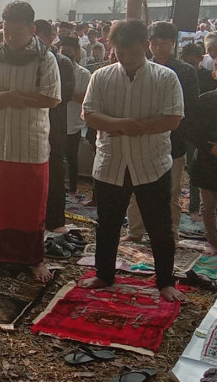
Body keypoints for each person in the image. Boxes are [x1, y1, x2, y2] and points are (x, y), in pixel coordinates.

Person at [79, 20, 185, 302]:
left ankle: (165, 281)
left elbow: (173, 118)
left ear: (144, 45)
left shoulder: (165, 77)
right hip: (111, 163)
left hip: (151, 163)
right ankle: (104, 274)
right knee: (107, 223)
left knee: (159, 226)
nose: (124, 57)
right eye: (119, 51)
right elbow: (89, 114)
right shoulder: (101, 77)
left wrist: (135, 127)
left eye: (131, 51)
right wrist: (121, 124)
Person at [0, 1, 61, 282]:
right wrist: (4, 98)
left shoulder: (45, 59)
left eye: (17, 32)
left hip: (30, 143)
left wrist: (16, 99)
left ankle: (33, 258)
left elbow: (53, 97)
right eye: (6, 31)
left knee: (30, 204)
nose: (10, 37)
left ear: (32, 29)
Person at [123, 22, 198, 244]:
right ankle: (135, 230)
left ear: (173, 44)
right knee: (136, 186)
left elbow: (189, 108)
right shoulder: (139, 67)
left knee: (171, 190)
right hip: (141, 136)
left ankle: (170, 233)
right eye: (154, 43)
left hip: (173, 138)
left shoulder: (185, 71)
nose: (158, 48)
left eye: (164, 43)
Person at [35, 20, 75, 234]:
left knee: (55, 172)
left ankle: (55, 220)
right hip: (30, 127)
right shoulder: (24, 62)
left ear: (52, 38)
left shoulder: (63, 63)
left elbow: (63, 96)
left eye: (44, 38)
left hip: (54, 127)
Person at [59, 37, 91, 196]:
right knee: (56, 157)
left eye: (69, 55)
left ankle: (72, 188)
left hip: (73, 122)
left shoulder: (84, 74)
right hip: (56, 122)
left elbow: (85, 98)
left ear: (77, 54)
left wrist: (66, 93)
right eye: (63, 53)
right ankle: (58, 185)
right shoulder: (54, 70)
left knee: (72, 157)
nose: (66, 58)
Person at [190, 79, 217, 255]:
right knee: (208, 206)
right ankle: (214, 241)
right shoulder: (205, 100)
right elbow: (192, 131)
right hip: (207, 161)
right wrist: (210, 148)